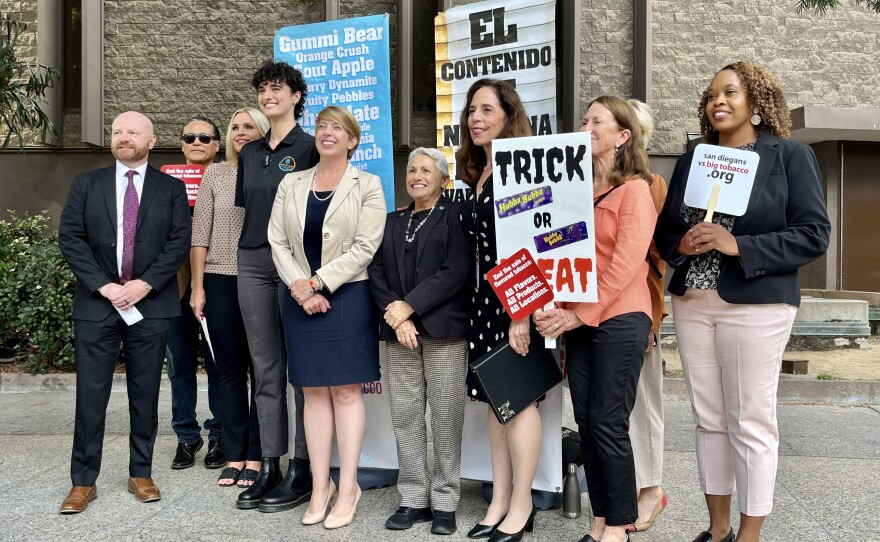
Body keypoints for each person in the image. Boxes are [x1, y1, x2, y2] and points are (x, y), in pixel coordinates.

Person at [654, 62, 830, 542]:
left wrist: (739, 245)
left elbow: (814, 235)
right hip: (694, 300)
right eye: (711, 95)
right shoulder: (694, 160)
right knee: (708, 419)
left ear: (756, 101)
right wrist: (681, 245)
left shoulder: (789, 157)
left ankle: (750, 535)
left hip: (757, 302)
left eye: (730, 92)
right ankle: (717, 530)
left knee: (749, 419)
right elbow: (665, 230)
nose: (718, 102)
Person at [535, 96, 656, 542]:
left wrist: (577, 315)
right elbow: (562, 257)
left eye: (596, 121)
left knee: (608, 421)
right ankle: (601, 517)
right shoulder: (572, 193)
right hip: (580, 321)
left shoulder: (635, 191)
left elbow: (624, 265)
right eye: (583, 119)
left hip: (621, 317)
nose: (585, 125)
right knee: (587, 422)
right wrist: (558, 308)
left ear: (622, 136)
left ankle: (622, 524)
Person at [58, 111, 191, 513]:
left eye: (133, 132)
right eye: (117, 131)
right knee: (90, 394)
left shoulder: (170, 189)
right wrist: (108, 286)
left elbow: (178, 241)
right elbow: (71, 238)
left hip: (150, 305)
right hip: (98, 305)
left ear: (151, 141)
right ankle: (83, 482)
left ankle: (141, 472)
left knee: (146, 392)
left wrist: (144, 284)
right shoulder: (86, 183)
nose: (123, 137)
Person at [268, 105, 386, 529]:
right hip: (299, 298)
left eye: (338, 128)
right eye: (322, 126)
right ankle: (321, 486)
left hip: (348, 297)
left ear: (352, 140)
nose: (327, 132)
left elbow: (365, 247)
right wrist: (302, 287)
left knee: (347, 393)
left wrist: (318, 283)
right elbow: (276, 240)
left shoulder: (368, 185)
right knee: (313, 392)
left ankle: (348, 485)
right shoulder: (291, 182)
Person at [368, 147, 472, 536]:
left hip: (443, 332)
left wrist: (408, 307)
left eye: (426, 170)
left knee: (446, 417)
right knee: (406, 417)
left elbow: (456, 271)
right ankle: (412, 498)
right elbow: (376, 271)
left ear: (443, 179)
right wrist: (396, 316)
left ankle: (445, 502)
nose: (416, 175)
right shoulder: (392, 221)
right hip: (399, 334)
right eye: (412, 169)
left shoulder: (456, 216)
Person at [455, 78, 539, 542]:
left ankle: (523, 504)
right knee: (494, 400)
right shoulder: (481, 171)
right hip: (484, 300)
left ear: (509, 115)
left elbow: (528, 244)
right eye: (472, 110)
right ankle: (501, 497)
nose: (477, 118)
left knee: (519, 399)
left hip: (514, 301)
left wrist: (520, 312)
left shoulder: (519, 169)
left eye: (487, 109)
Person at [234, 60, 319, 511]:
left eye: (277, 89)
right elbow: (248, 210)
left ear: (295, 96)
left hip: (296, 264)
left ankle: (302, 467)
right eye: (262, 90)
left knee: (302, 370)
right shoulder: (248, 153)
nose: (269, 96)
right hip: (251, 263)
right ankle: (270, 463)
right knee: (265, 368)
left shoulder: (310, 147)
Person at [190, 107, 270, 487]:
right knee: (230, 371)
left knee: (264, 372)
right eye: (235, 127)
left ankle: (257, 456)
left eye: (249, 126)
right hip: (220, 279)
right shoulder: (216, 175)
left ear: (264, 131)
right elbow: (199, 235)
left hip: (264, 279)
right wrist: (198, 286)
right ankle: (235, 455)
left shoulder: (273, 172)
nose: (240, 132)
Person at [168, 116, 225, 471]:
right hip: (173, 286)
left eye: (205, 137)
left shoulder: (228, 179)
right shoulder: (165, 183)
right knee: (180, 367)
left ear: (217, 145)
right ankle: (186, 437)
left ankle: (220, 433)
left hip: (216, 281)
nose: (197, 142)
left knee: (221, 365)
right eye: (190, 137)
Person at [623, 100, 669, 534]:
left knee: (643, 402)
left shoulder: (653, 184)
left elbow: (655, 259)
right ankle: (627, 486)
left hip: (638, 310)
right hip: (592, 313)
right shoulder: (591, 183)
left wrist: (653, 318)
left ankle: (651, 488)